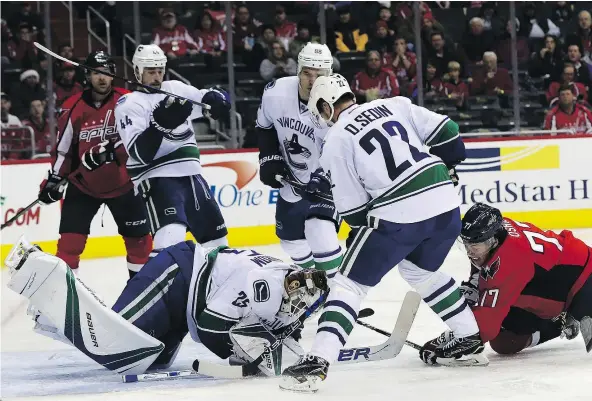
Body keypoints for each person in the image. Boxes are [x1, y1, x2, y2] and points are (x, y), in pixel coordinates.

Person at [280, 74, 484, 393]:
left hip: (400, 214)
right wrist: (453, 165)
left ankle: (317, 361)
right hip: (446, 205)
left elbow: (355, 214)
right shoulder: (394, 104)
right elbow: (449, 131)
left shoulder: (336, 140)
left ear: (325, 105)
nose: (319, 118)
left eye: (318, 111)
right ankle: (467, 336)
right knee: (419, 271)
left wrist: (365, 236)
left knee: (348, 283)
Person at [5, 236, 329, 376]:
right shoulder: (265, 286)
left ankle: (52, 314)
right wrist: (239, 357)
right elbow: (209, 327)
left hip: (184, 308)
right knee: (115, 338)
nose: (299, 309)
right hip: (177, 275)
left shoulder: (290, 283)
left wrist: (279, 346)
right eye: (300, 303)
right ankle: (43, 274)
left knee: (142, 359)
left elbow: (282, 327)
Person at [38, 51, 152, 278]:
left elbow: (142, 138)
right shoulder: (72, 107)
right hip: (83, 187)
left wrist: (114, 151)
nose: (102, 78)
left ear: (113, 75)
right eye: (96, 73)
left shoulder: (128, 100)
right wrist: (54, 180)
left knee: (140, 245)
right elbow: (64, 150)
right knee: (69, 246)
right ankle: (65, 298)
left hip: (125, 185)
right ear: (87, 76)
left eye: (107, 73)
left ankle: (142, 296)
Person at [115, 44, 231, 255]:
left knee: (218, 244)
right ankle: (160, 286)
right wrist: (160, 125)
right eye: (151, 72)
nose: (157, 77)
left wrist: (217, 98)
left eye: (160, 70)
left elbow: (206, 101)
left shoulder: (175, 89)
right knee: (170, 243)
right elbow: (140, 155)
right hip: (159, 180)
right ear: (137, 71)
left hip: (193, 177)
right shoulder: (128, 104)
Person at [255, 43, 343, 278]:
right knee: (290, 241)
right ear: (298, 71)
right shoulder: (275, 92)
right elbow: (264, 127)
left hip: (328, 184)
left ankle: (340, 293)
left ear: (330, 75)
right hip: (292, 181)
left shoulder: (339, 102)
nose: (312, 81)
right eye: (307, 73)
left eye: (319, 75)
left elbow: (347, 149)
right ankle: (316, 285)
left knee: (319, 228)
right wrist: (268, 158)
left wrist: (325, 178)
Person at [457, 203, 592, 355]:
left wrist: (450, 343)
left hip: (584, 275)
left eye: (474, 246)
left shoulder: (509, 259)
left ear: (492, 240)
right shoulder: (495, 234)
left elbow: (485, 328)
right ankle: (557, 322)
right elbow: (482, 261)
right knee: (505, 342)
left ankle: (570, 310)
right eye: (466, 244)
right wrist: (474, 283)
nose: (470, 252)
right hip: (551, 281)